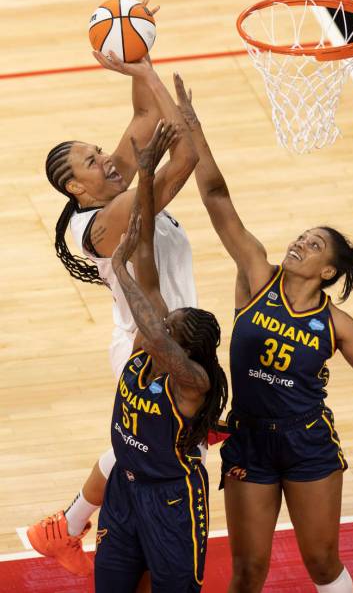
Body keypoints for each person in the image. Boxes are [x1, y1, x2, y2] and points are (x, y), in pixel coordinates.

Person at [174, 75, 353, 593]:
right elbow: (216, 196)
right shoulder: (257, 275)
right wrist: (195, 131)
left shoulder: (336, 324)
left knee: (322, 561)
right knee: (247, 570)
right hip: (249, 437)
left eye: (315, 243)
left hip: (308, 442)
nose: (302, 241)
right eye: (304, 235)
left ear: (328, 272)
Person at [27, 0, 200, 577]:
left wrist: (134, 50)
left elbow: (147, 120)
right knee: (161, 452)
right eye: (92, 160)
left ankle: (69, 527)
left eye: (101, 150)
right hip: (146, 348)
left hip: (174, 337)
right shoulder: (102, 223)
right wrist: (148, 67)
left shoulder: (113, 192)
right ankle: (71, 528)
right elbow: (182, 157)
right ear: (77, 189)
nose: (107, 157)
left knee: (155, 450)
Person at [94, 121, 228, 592]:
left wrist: (120, 266)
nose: (158, 322)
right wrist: (146, 174)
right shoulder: (144, 350)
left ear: (181, 348)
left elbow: (149, 316)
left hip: (171, 499)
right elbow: (146, 244)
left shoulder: (192, 381)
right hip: (125, 492)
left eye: (168, 327)